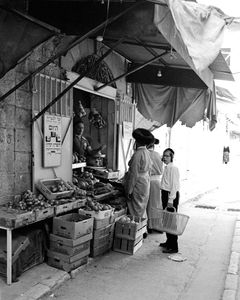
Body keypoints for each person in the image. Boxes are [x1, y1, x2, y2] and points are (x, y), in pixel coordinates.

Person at [124, 128, 154, 222]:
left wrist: (129, 190)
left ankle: (136, 229)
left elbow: (133, 174)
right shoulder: (147, 152)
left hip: (138, 184)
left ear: (136, 142)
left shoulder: (138, 154)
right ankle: (141, 230)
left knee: (135, 209)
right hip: (145, 183)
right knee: (141, 207)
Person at [159, 148, 180, 254]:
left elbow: (174, 186)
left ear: (172, 157)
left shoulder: (173, 168)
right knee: (166, 219)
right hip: (165, 193)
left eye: (167, 156)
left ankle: (174, 246)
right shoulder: (167, 167)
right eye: (164, 155)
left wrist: (171, 199)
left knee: (171, 221)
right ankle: (168, 241)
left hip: (170, 195)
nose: (165, 157)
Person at [146, 138, 163, 233]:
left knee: (148, 203)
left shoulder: (145, 154)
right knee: (156, 203)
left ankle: (149, 225)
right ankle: (157, 225)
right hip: (157, 181)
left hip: (148, 180)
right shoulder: (158, 155)